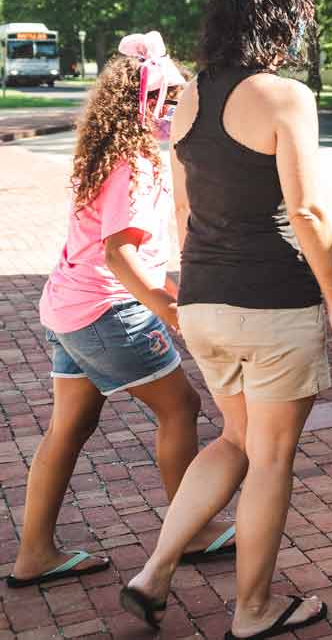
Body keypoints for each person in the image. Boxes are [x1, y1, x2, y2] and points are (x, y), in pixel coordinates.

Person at [120, 0, 332, 639]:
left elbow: (183, 213)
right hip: (273, 305)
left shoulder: (190, 95)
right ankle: (253, 609)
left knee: (233, 438)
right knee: (271, 456)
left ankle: (155, 570)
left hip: (203, 302)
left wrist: (183, 290)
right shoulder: (284, 96)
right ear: (281, 19)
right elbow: (311, 215)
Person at [7, 34, 234, 590]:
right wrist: (168, 308)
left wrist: (170, 293)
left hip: (68, 307)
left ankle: (34, 553)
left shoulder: (106, 152)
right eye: (172, 97)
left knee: (71, 425)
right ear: (147, 102)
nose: (180, 107)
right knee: (182, 406)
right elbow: (119, 252)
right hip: (107, 311)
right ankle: (195, 532)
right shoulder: (134, 162)